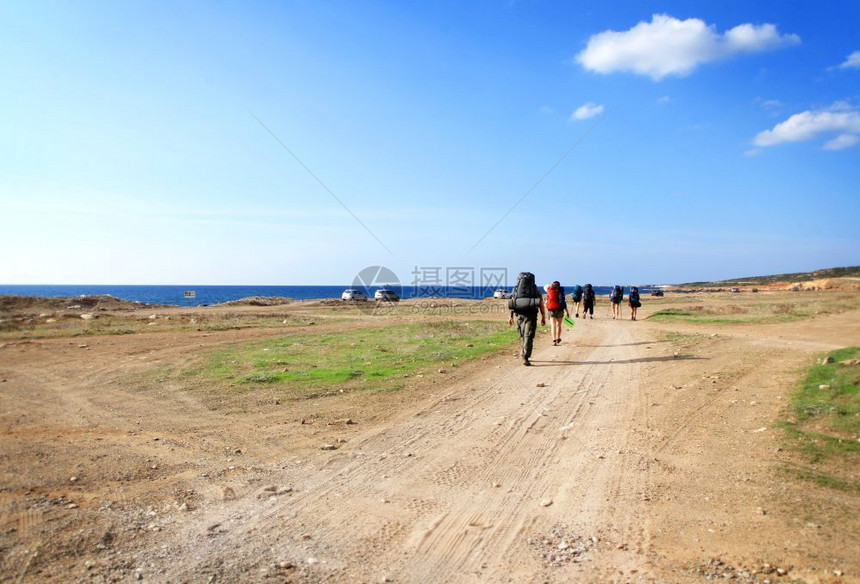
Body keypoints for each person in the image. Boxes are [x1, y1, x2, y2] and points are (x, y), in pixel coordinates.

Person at [507, 272, 546, 366]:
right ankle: (525, 356)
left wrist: (510, 317)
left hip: (519, 315)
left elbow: (512, 303)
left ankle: (523, 353)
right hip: (531, 316)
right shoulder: (535, 290)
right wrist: (543, 317)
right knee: (528, 336)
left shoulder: (516, 289)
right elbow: (541, 304)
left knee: (522, 335)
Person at [544, 281, 570, 346]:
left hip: (551, 310)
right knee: (559, 325)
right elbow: (563, 302)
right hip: (560, 309)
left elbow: (547, 302)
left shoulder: (549, 291)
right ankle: (558, 338)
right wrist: (567, 312)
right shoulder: (561, 291)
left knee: (553, 325)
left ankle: (554, 340)